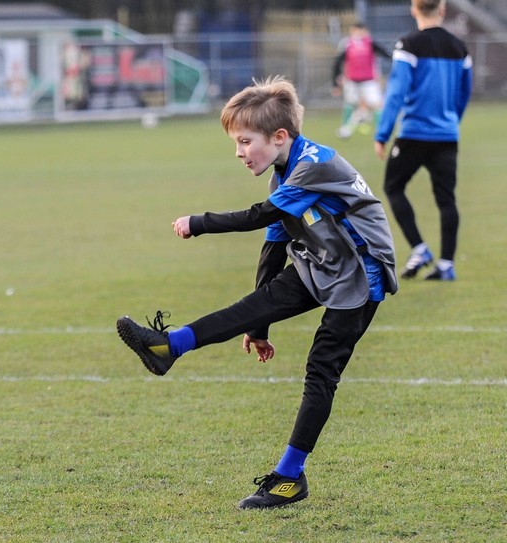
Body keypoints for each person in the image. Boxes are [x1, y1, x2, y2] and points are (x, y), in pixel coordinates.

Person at [116, 76, 397, 510]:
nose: (239, 153)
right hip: (321, 259)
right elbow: (272, 246)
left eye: (246, 142)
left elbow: (257, 217)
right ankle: (169, 346)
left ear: (279, 137)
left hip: (362, 274)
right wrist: (259, 326)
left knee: (321, 371)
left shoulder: (313, 166)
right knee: (248, 307)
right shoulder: (284, 175)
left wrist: (199, 222)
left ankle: (289, 478)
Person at [374, 0, 473, 281]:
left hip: (414, 134)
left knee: (393, 187)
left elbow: (396, 91)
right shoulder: (459, 47)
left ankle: (419, 249)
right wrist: (452, 121)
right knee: (446, 199)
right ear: (442, 10)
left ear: (413, 9)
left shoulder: (408, 45)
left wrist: (382, 134)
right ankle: (446, 265)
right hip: (447, 135)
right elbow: (465, 92)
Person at [332, 21, 392, 139]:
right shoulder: (347, 44)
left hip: (369, 81)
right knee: (350, 103)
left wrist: (395, 59)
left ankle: (380, 131)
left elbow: (385, 53)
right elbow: (338, 62)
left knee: (377, 105)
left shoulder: (370, 43)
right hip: (352, 81)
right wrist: (335, 82)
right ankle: (345, 129)